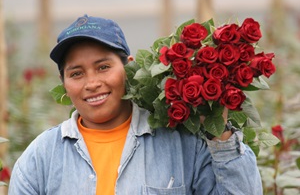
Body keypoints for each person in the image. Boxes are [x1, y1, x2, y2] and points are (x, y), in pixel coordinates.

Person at [8, 14, 262, 195]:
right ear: (63, 82)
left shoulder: (183, 143)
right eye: (76, 73)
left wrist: (221, 132)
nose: (92, 83)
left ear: (128, 67)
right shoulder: (41, 156)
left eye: (103, 67)